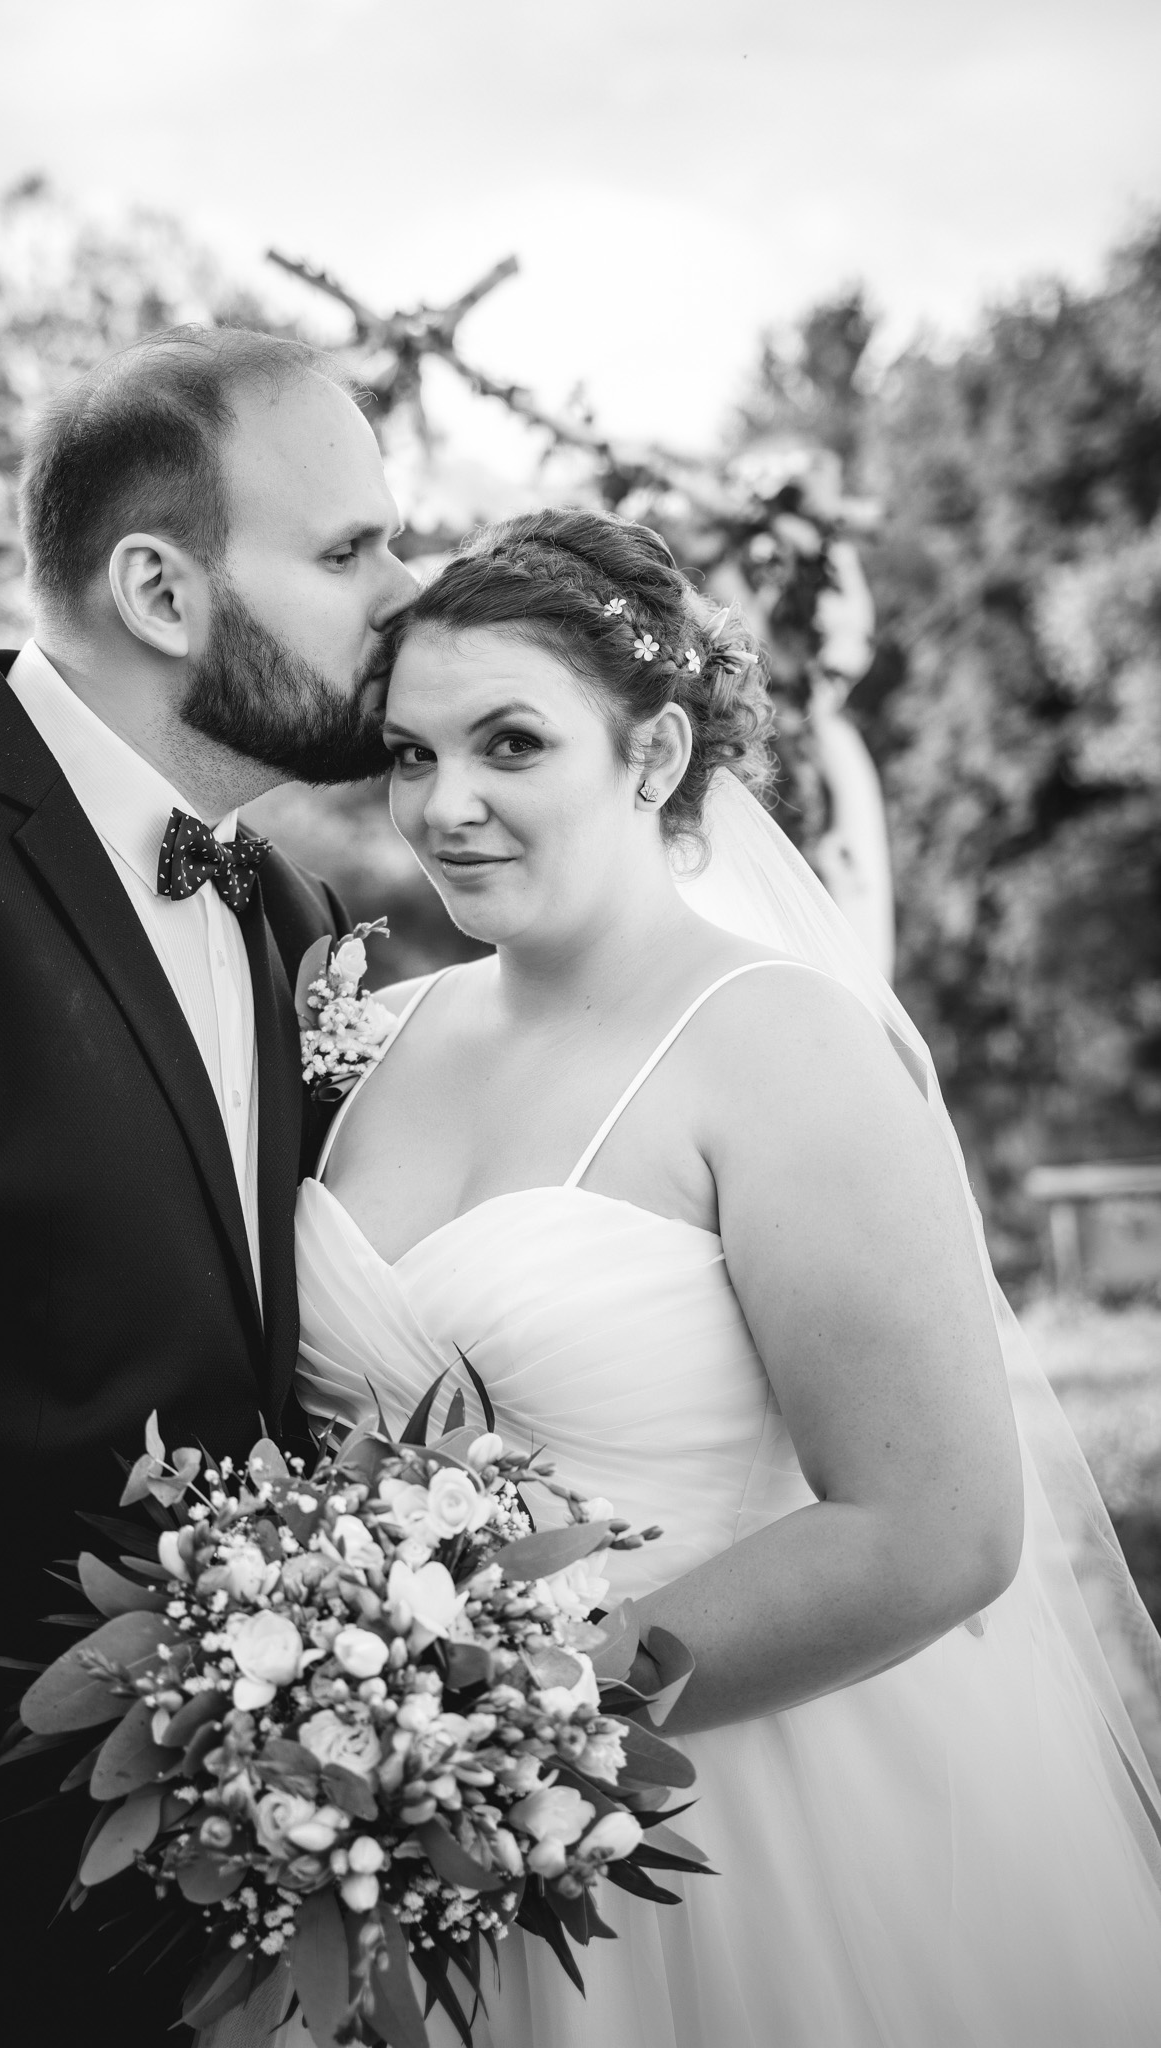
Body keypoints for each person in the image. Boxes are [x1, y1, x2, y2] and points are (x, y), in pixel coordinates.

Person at [293, 509, 1161, 2047]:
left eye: (509, 744)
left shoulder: (783, 1047)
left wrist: (497, 1724)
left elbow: (937, 1527)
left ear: (653, 753)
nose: (444, 804)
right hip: (384, 1842)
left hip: (720, 1838)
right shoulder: (371, 1037)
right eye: (410, 754)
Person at [0, 326, 414, 2046]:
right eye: (349, 550)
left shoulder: (289, 913)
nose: (405, 594)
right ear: (159, 588)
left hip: (233, 1903)